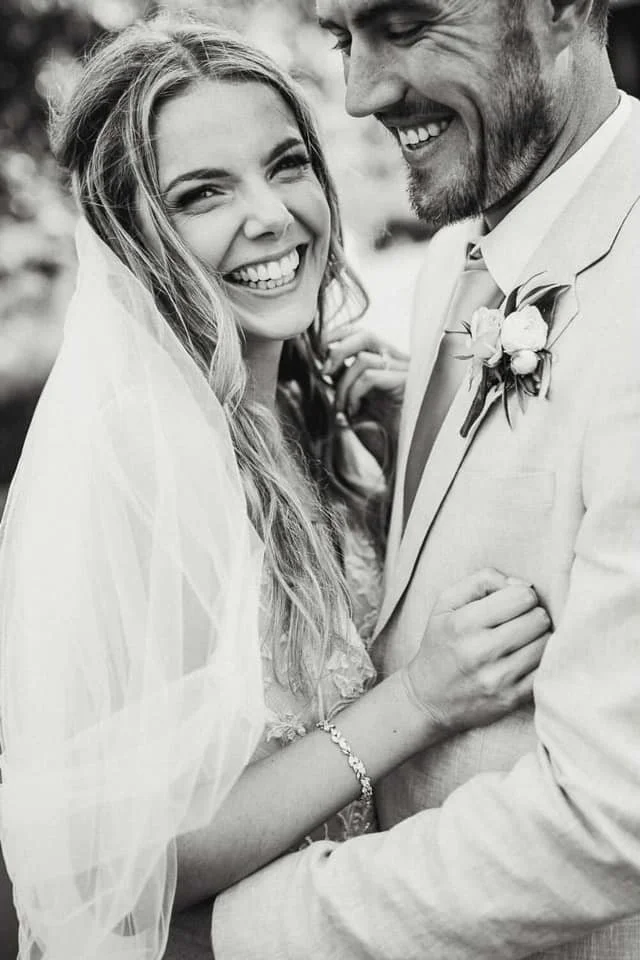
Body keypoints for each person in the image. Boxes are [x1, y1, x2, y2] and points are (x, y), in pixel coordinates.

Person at [0, 17, 551, 960]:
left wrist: (394, 478)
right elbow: (113, 866)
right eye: (202, 193)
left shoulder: (301, 408)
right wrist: (415, 702)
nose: (271, 215)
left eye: (287, 164)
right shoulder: (143, 460)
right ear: (132, 234)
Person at [211, 0, 640, 958]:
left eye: (406, 25)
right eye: (341, 39)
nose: (361, 93)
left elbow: (612, 815)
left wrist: (236, 933)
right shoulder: (459, 251)